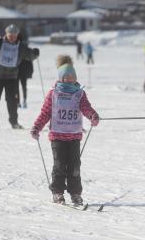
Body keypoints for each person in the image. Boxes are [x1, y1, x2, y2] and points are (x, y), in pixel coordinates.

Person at [30, 55, 100, 205]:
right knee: (60, 165)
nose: (70, 78)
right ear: (61, 78)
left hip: (74, 136)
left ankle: (75, 193)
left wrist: (93, 115)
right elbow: (45, 113)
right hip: (57, 137)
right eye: (67, 76)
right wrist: (37, 127)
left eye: (73, 76)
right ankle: (57, 192)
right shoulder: (53, 94)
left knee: (75, 166)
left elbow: (86, 108)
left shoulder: (79, 94)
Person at [0, 24, 39, 129]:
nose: (12, 37)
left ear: (17, 35)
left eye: (14, 35)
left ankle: (14, 122)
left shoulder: (21, 47)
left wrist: (35, 53)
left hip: (12, 78)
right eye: (10, 35)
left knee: (12, 101)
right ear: (6, 34)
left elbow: (30, 56)